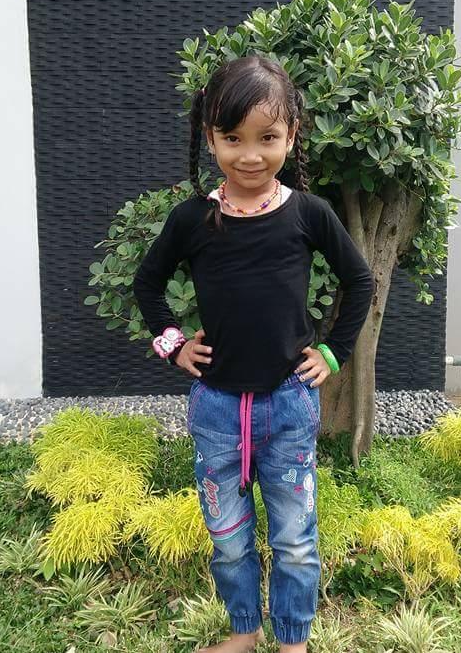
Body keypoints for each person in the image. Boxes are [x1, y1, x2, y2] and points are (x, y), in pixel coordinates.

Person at [133, 55, 375, 653]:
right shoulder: (193, 219)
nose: (249, 155)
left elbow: (360, 281)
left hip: (289, 405)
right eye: (232, 138)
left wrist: (333, 353)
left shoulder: (309, 214)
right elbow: (147, 284)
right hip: (216, 410)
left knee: (294, 538)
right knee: (228, 538)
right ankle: (245, 631)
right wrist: (173, 344)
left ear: (291, 136)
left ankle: (293, 642)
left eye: (267, 138)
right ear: (209, 137)